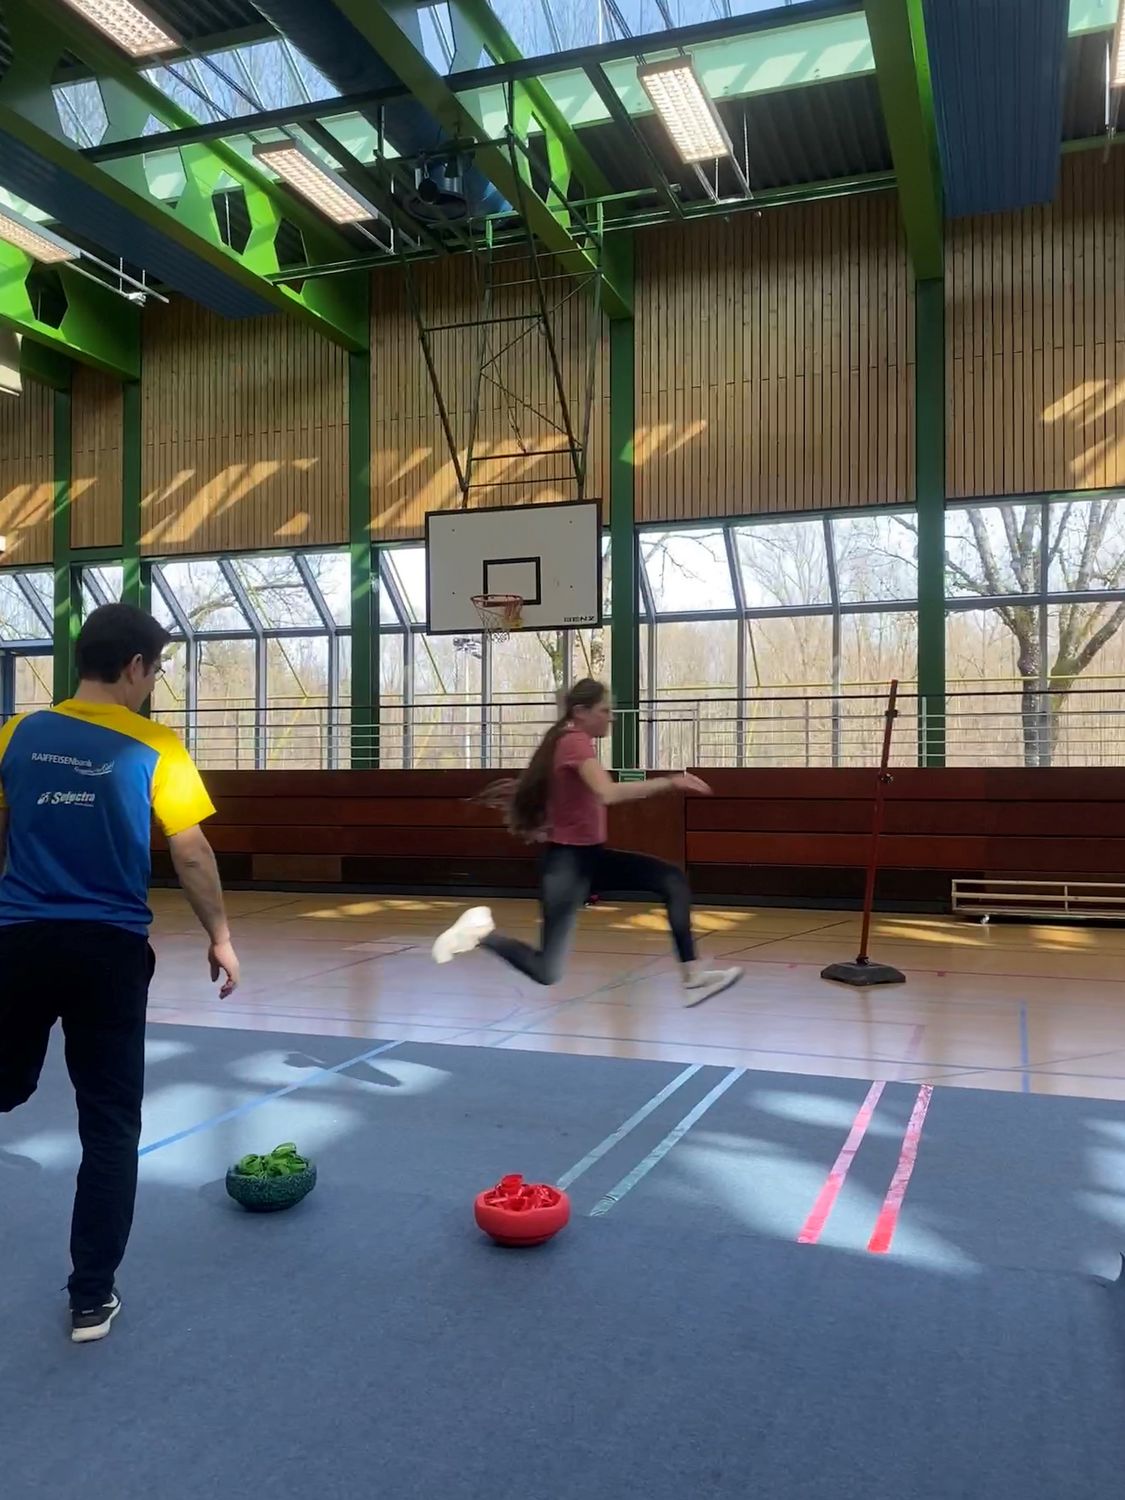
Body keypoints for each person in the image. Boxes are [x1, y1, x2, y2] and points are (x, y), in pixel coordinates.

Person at [0, 603, 239, 1344]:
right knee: (109, 1124)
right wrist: (220, 936)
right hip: (107, 953)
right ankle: (90, 1298)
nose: (152, 682)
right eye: (155, 669)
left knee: (6, 1085)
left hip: (21, 943)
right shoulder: (156, 745)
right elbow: (191, 851)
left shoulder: (16, 733)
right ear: (135, 665)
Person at [433, 678, 742, 1006]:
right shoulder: (574, 741)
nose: (612, 717)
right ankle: (481, 934)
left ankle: (692, 976)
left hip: (589, 860)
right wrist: (670, 782)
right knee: (547, 971)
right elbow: (607, 793)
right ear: (581, 712)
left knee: (672, 880)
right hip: (566, 868)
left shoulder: (568, 741)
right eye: (605, 710)